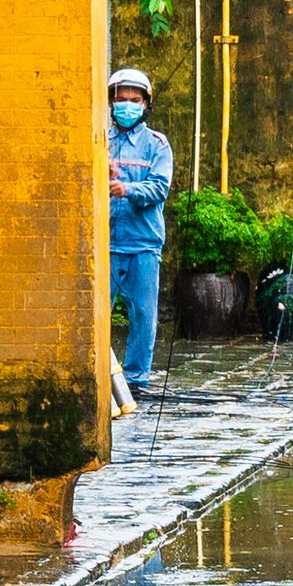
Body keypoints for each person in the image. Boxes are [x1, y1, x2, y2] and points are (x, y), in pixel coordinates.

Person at [103, 67, 174, 397]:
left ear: (146, 103)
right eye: (121, 100)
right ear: (111, 102)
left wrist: (126, 189)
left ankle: (136, 379)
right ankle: (102, 373)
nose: (127, 106)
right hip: (106, 243)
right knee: (98, 314)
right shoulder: (100, 142)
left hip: (143, 242)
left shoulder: (157, 145)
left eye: (135, 100)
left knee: (143, 314)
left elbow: (159, 188)